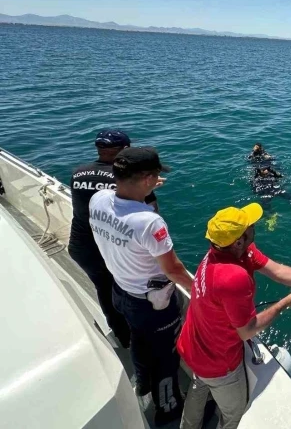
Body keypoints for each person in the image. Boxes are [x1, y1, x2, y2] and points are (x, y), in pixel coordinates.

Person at [177, 204, 291, 429]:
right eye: (248, 226)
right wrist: (283, 304)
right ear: (239, 241)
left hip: (193, 345)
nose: (253, 226)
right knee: (234, 414)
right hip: (218, 362)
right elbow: (247, 331)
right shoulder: (233, 277)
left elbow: (278, 271)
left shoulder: (223, 251)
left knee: (198, 388)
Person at [89, 147, 192, 425]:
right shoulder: (149, 222)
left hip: (120, 292)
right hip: (152, 305)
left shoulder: (98, 199)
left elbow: (121, 202)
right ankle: (168, 410)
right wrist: (201, 293)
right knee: (166, 358)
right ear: (147, 178)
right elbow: (173, 269)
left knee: (138, 341)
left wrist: (142, 186)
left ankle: (142, 384)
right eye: (155, 176)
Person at [68, 129, 161, 349]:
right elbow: (150, 215)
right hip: (110, 246)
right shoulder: (129, 179)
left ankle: (122, 336)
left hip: (81, 246)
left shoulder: (79, 173)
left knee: (103, 288)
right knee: (130, 292)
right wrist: (147, 187)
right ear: (125, 150)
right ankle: (142, 338)